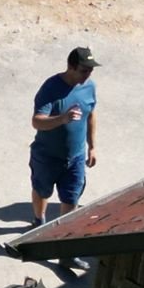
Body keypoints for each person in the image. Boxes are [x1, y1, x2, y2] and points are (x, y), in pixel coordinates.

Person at [29, 46, 99, 235]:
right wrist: (62, 118)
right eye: (84, 70)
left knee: (71, 198)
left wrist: (92, 147)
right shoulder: (51, 88)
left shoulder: (89, 87)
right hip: (48, 155)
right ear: (71, 66)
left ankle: (62, 239)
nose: (88, 74)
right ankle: (38, 221)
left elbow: (91, 115)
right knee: (42, 190)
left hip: (75, 157)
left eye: (91, 70)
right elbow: (36, 121)